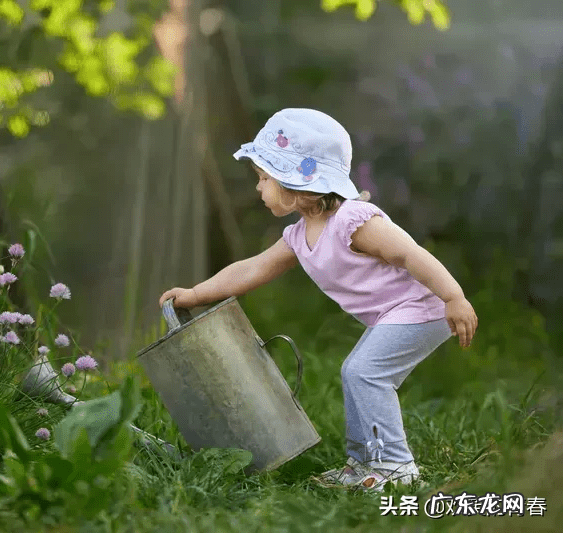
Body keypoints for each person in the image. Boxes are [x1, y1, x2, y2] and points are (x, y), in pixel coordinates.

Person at [158, 108, 478, 491]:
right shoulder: (298, 236)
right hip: (394, 314)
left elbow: (409, 254)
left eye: (263, 178)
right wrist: (196, 294)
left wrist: (453, 296)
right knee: (356, 373)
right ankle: (363, 464)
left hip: (426, 308)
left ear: (295, 181)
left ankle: (395, 466)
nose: (258, 187)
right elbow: (251, 269)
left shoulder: (353, 220)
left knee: (364, 373)